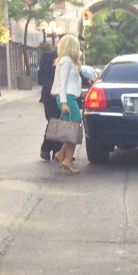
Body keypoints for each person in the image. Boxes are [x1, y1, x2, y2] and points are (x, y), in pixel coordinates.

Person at [50, 34, 83, 173]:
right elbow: (62, 83)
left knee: (72, 128)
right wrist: (64, 102)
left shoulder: (64, 61)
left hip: (68, 97)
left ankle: (62, 155)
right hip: (67, 98)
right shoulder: (67, 61)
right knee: (75, 127)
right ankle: (67, 159)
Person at [38, 45, 63, 161]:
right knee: (53, 121)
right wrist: (51, 89)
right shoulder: (48, 57)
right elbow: (42, 76)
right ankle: (47, 148)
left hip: (63, 95)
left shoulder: (68, 58)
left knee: (61, 122)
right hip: (50, 95)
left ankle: (56, 150)